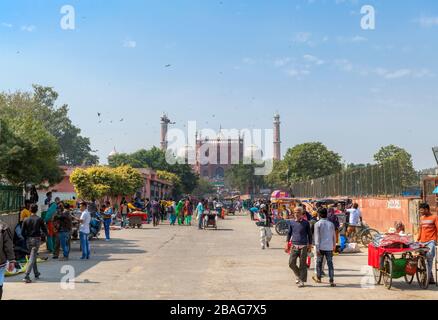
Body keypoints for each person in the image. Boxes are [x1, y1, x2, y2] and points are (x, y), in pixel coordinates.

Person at [285, 207, 312, 288]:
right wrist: (287, 243)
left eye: (298, 212)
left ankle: (301, 281)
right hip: (294, 245)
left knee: (303, 264)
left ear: (301, 213)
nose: (296, 214)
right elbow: (289, 233)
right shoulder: (292, 222)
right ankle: (299, 275)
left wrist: (310, 244)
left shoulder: (306, 223)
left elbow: (309, 234)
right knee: (291, 263)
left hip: (303, 246)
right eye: (295, 212)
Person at [22, 204, 48, 283]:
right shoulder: (39, 219)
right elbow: (44, 230)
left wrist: (27, 237)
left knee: (33, 256)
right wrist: (45, 235)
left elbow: (22, 232)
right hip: (36, 240)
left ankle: (36, 273)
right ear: (36, 210)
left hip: (28, 240)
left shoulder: (25, 219)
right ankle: (26, 275)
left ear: (29, 210)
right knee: (32, 257)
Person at [312, 208, 337, 287]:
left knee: (318, 263)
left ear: (319, 215)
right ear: (327, 214)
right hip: (329, 247)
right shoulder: (331, 224)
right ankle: (331, 280)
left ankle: (319, 278)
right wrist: (334, 246)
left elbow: (317, 237)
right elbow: (334, 236)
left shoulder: (317, 224)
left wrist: (317, 248)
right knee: (330, 264)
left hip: (321, 247)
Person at [417, 203, 438, 284]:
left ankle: (427, 277)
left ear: (427, 209)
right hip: (422, 242)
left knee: (429, 257)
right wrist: (418, 240)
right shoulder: (421, 218)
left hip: (431, 241)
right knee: (422, 259)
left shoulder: (435, 217)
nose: (420, 211)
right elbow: (420, 230)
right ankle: (430, 278)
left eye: (422, 210)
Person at [0, 221, 16, 299]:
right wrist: (11, 260)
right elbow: (8, 246)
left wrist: (12, 260)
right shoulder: (3, 227)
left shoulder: (4, 228)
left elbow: (8, 246)